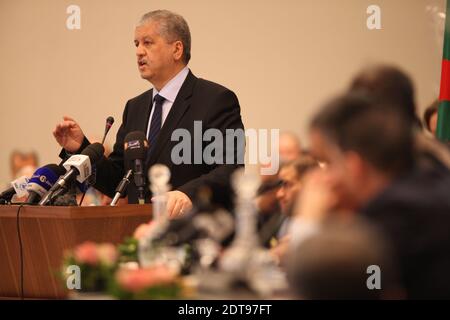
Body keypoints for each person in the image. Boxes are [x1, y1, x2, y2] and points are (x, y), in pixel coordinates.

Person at [53, 10, 244, 217]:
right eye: (136, 44)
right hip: (141, 230)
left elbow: (231, 168)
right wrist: (81, 148)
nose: (139, 51)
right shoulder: (135, 107)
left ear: (177, 49)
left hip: (194, 229)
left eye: (148, 43)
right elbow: (118, 180)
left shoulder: (215, 99)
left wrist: (187, 194)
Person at [306, 92, 450, 299]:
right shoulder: (425, 183)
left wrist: (308, 225)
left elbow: (353, 290)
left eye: (327, 163)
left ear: (353, 165)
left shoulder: (395, 212)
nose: (322, 178)